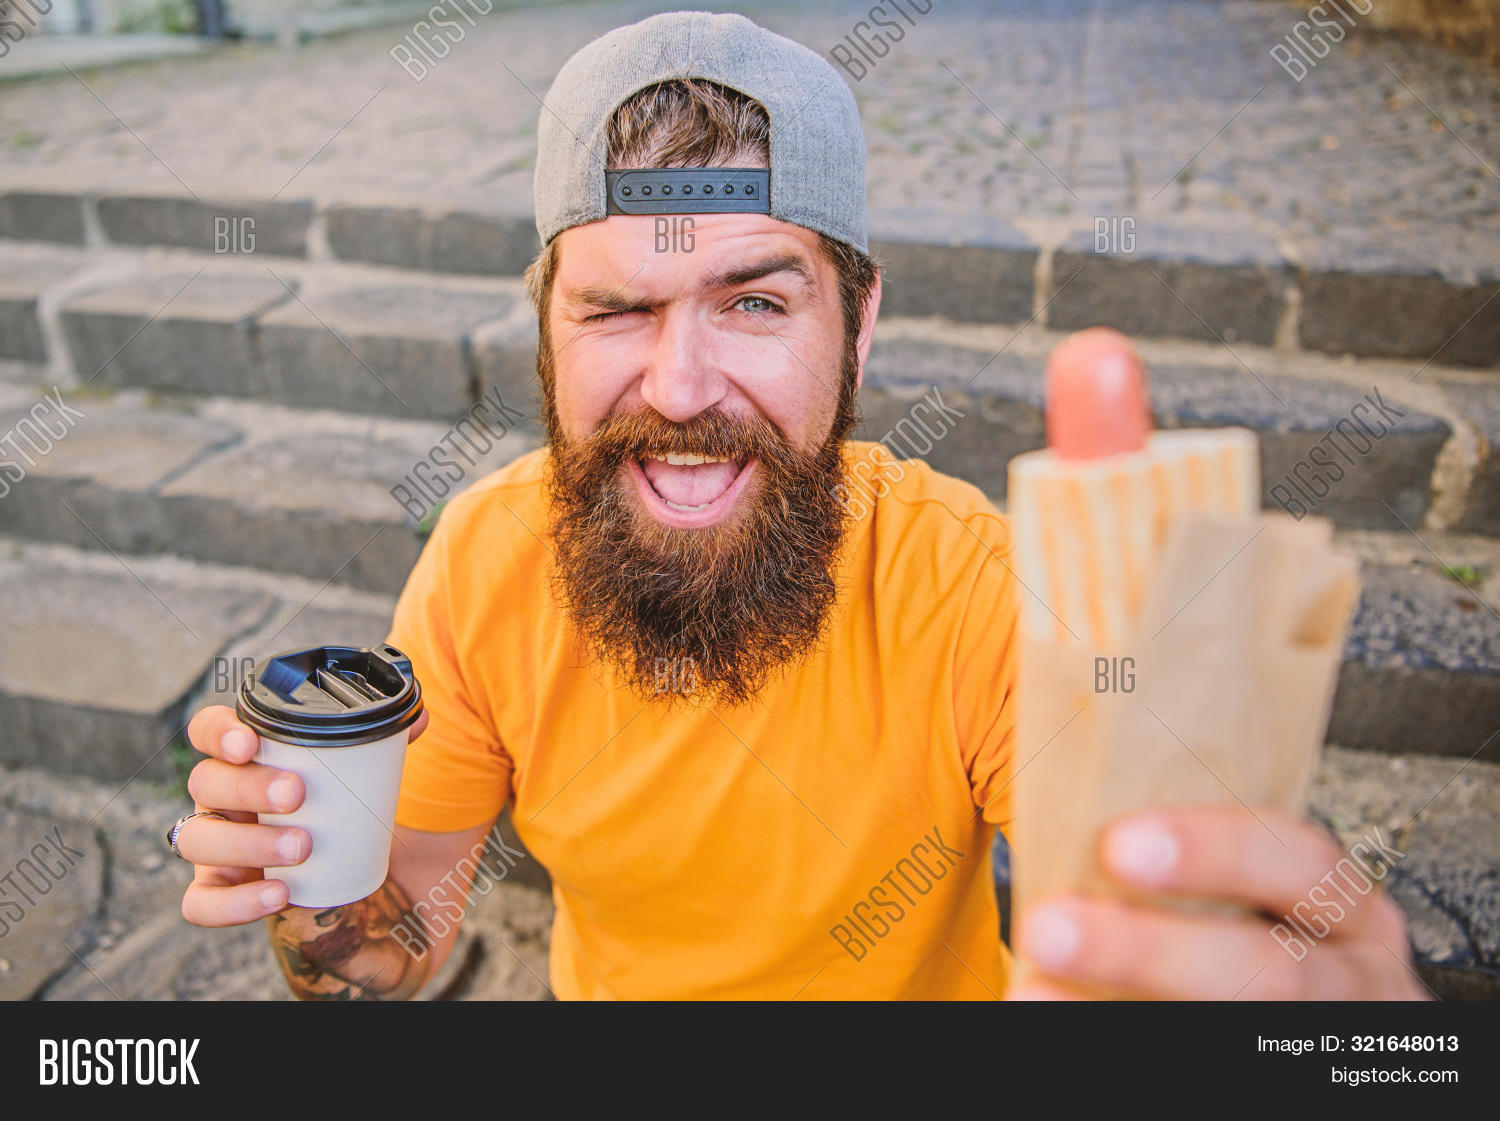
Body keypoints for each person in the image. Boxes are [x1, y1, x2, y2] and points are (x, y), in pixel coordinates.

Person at [172, 11, 1425, 1000]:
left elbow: (1127, 894)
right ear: (545, 330)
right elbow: (404, 937)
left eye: (757, 302)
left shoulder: (972, 584)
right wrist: (313, 891)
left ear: (859, 325)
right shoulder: (483, 559)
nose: (678, 386)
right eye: (616, 309)